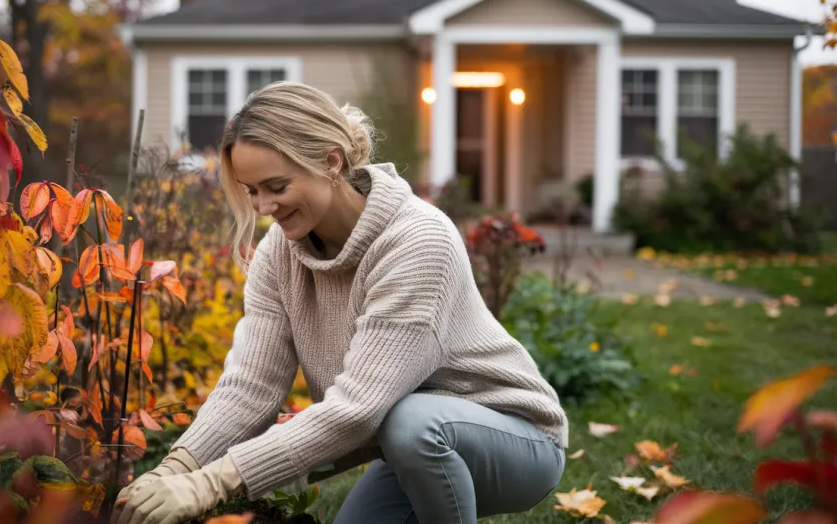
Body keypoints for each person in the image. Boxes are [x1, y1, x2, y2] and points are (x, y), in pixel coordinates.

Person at [112, 81, 568, 524]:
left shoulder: (417, 240)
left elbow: (360, 408)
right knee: (407, 433)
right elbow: (251, 385)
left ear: (331, 162)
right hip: (407, 446)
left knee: (412, 425)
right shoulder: (280, 254)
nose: (263, 206)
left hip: (513, 439)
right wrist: (176, 470)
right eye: (251, 191)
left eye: (276, 186)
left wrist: (212, 483)